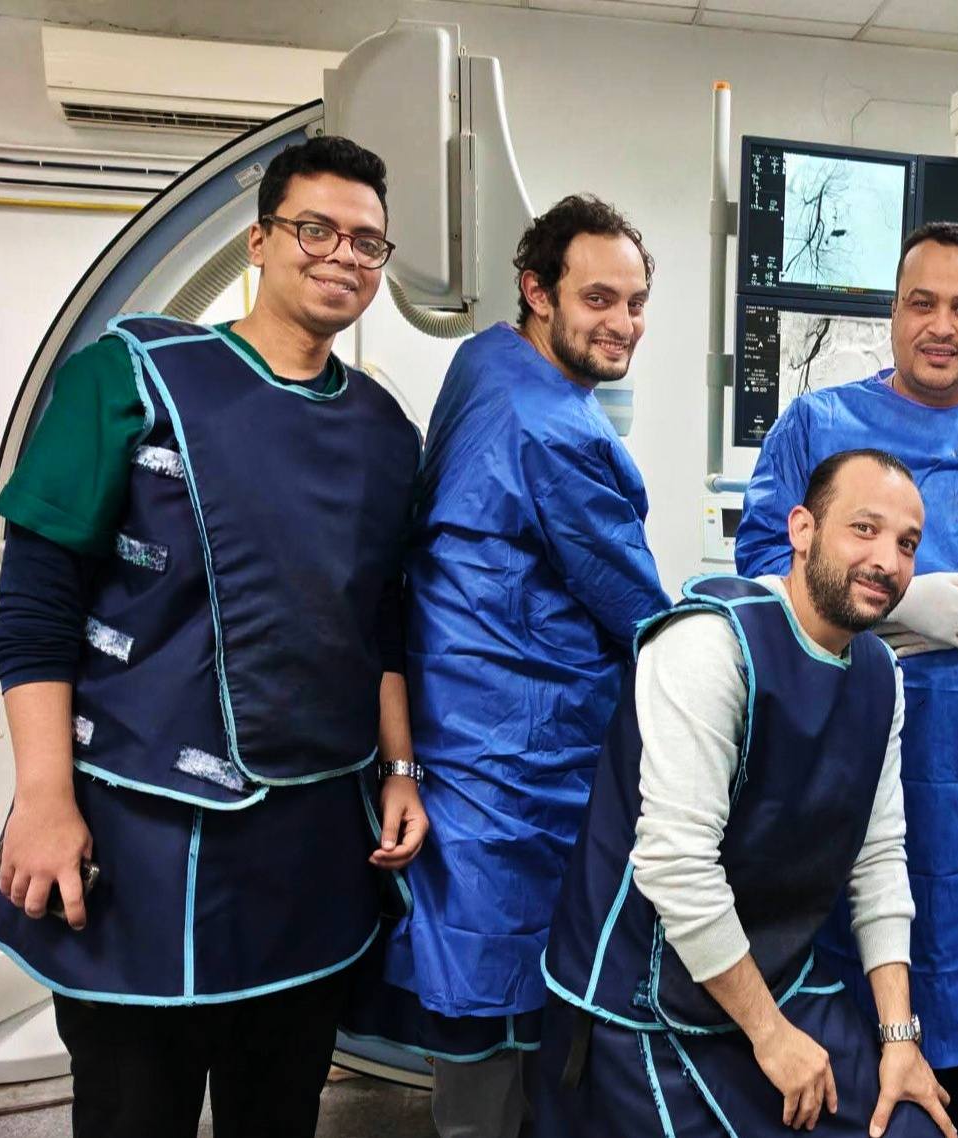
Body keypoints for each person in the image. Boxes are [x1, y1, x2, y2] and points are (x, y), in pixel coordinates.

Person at [0, 136, 426, 1138]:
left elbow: (382, 620)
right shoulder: (128, 378)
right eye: (315, 229)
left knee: (280, 1113)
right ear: (260, 241)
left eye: (367, 242)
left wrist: (400, 768)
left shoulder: (385, 431)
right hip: (141, 841)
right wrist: (44, 798)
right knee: (134, 1111)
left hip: (310, 852)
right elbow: (35, 608)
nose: (343, 255)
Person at [734, 222, 958, 1134]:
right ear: (894, 312)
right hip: (836, 750)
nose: (942, 326)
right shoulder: (819, 426)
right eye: (923, 303)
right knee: (823, 996)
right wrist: (898, 611)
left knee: (950, 1009)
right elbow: (761, 565)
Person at [344, 194, 670, 1138]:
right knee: (509, 1005)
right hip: (521, 765)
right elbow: (641, 612)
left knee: (483, 989)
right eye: (598, 299)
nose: (623, 324)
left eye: (636, 303)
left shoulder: (485, 359)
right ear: (537, 291)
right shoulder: (556, 432)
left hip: (463, 736)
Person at [536, 448, 956, 1138]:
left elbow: (878, 857)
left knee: (911, 1126)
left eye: (907, 544)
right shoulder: (710, 646)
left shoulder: (880, 675)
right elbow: (677, 867)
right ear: (802, 530)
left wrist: (899, 1038)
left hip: (777, 974)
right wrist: (772, 1037)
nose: (888, 560)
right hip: (645, 999)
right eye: (864, 528)